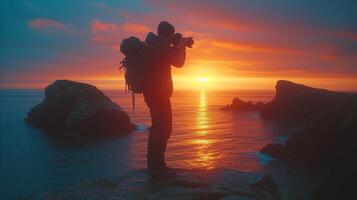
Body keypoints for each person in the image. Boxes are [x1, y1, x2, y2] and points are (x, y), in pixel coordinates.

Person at [143, 21, 189, 179]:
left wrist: (175, 44)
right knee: (163, 128)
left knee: (158, 127)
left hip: (153, 93)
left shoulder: (155, 45)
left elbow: (168, 59)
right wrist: (181, 46)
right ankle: (157, 167)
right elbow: (179, 62)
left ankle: (154, 165)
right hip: (158, 94)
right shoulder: (161, 48)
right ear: (167, 34)